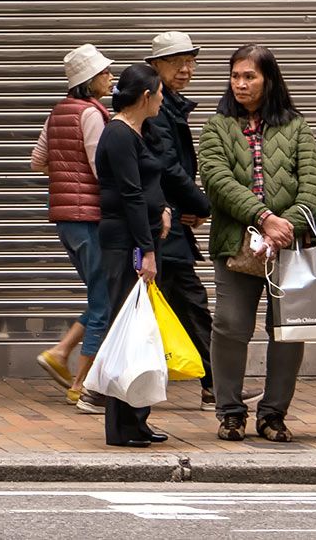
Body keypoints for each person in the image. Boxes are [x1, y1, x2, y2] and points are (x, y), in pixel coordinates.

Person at [199, 43, 316, 442]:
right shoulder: (217, 126)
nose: (240, 84)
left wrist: (283, 225)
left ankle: (273, 414)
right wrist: (263, 218)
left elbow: (315, 185)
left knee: (288, 330)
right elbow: (217, 182)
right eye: (235, 76)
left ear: (268, 79)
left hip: (290, 246)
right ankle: (231, 412)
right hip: (237, 243)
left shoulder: (296, 127)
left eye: (249, 76)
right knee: (231, 326)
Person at [29, 43, 114, 413]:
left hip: (65, 221)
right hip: (91, 219)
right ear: (90, 80)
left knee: (101, 296)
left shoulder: (57, 112)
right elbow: (101, 168)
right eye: (106, 73)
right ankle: (81, 385)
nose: (111, 78)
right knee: (104, 302)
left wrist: (65, 181)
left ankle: (60, 352)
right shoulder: (92, 114)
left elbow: (37, 162)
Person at [92, 63, 173, 449]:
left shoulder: (137, 133)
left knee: (138, 331)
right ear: (146, 96)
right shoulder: (119, 134)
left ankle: (136, 420)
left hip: (134, 239)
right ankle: (121, 425)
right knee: (125, 331)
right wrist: (148, 250)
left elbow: (149, 186)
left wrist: (165, 210)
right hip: (124, 243)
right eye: (159, 93)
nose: (162, 99)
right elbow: (129, 194)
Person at [143, 31, 218, 408]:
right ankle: (214, 385)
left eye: (190, 62)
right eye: (176, 62)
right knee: (189, 302)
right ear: (155, 66)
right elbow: (169, 168)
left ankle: (210, 383)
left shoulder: (169, 105)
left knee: (165, 305)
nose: (186, 70)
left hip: (168, 222)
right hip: (164, 226)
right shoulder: (157, 109)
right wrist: (203, 205)